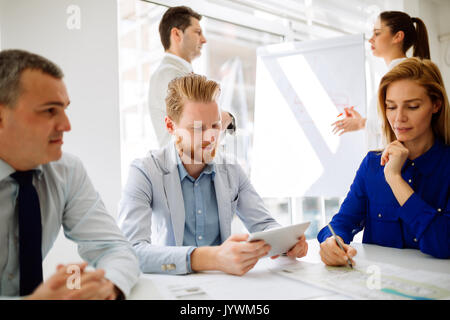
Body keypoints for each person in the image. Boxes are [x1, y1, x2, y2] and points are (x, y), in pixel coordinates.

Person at [119, 74, 308, 275]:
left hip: (225, 287)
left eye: (216, 125)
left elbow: (264, 224)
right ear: (170, 126)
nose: (211, 137)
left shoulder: (232, 169)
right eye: (197, 128)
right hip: (172, 286)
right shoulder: (145, 171)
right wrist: (211, 258)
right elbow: (130, 251)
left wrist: (287, 242)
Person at [0, 49, 140, 299]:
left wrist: (105, 287)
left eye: (64, 109)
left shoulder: (67, 171)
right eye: (50, 111)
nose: (66, 125)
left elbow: (114, 248)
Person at [318, 57, 450, 265]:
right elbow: (341, 223)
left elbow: (444, 243)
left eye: (412, 106)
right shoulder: (372, 164)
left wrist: (394, 178)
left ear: (436, 105)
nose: (398, 118)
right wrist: (331, 241)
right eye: (391, 107)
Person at [332, 11, 431, 150]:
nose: (371, 39)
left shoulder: (404, 76)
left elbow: (400, 123)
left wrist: (361, 123)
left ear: (398, 36)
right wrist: (363, 121)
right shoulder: (392, 74)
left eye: (377, 33)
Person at [148, 5, 234, 148]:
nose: (204, 39)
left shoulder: (176, 73)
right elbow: (200, 129)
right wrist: (227, 118)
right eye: (198, 32)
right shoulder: (171, 75)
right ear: (177, 34)